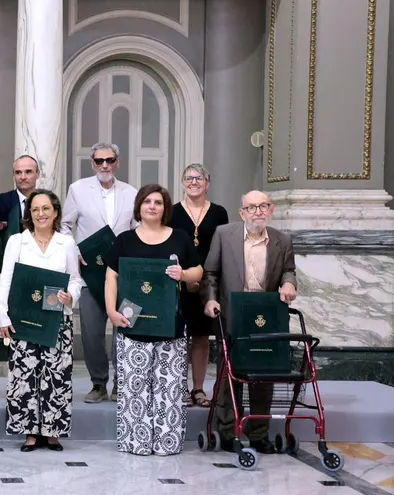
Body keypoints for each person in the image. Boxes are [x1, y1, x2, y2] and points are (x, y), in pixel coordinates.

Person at [104, 184, 202, 456]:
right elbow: (111, 276)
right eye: (147, 201)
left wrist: (183, 275)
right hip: (132, 327)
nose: (152, 206)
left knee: (169, 389)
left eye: (158, 202)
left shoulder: (180, 238)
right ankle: (136, 442)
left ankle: (166, 443)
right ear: (139, 207)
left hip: (170, 327)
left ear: (165, 208)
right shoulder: (124, 240)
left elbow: (199, 271)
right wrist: (111, 310)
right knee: (134, 388)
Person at [203, 190, 297, 455]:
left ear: (272, 209)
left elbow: (289, 270)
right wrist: (210, 301)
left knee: (262, 378)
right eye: (252, 207)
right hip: (231, 314)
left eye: (263, 206)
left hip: (265, 316)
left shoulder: (282, 240)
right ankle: (229, 431)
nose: (258, 212)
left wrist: (289, 282)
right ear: (242, 212)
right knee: (228, 376)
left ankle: (258, 434)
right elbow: (211, 273)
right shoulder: (224, 235)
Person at [0, 189, 82, 452]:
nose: (41, 214)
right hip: (24, 319)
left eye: (46, 208)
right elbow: (7, 281)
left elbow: (76, 279)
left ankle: (53, 431)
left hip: (58, 320)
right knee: (25, 375)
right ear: (29, 214)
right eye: (35, 209)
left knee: (57, 375)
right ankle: (30, 432)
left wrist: (71, 295)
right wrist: (3, 316)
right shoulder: (17, 241)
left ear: (55, 212)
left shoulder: (66, 243)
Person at [62, 142, 138, 403]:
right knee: (92, 331)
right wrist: (75, 251)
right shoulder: (78, 189)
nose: (104, 165)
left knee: (126, 326)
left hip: (124, 273)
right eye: (98, 161)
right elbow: (64, 226)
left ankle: (122, 383)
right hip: (90, 272)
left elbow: (139, 228)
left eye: (109, 160)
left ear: (117, 162)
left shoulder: (131, 192)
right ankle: (98, 384)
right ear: (92, 163)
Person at [169, 163, 229, 408]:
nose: (193, 182)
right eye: (188, 178)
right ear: (182, 182)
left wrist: (205, 279)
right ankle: (179, 387)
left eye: (199, 178)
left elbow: (223, 246)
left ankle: (198, 389)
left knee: (202, 337)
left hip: (209, 282)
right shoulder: (171, 211)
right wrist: (184, 276)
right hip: (177, 280)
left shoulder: (219, 212)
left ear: (207, 182)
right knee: (179, 338)